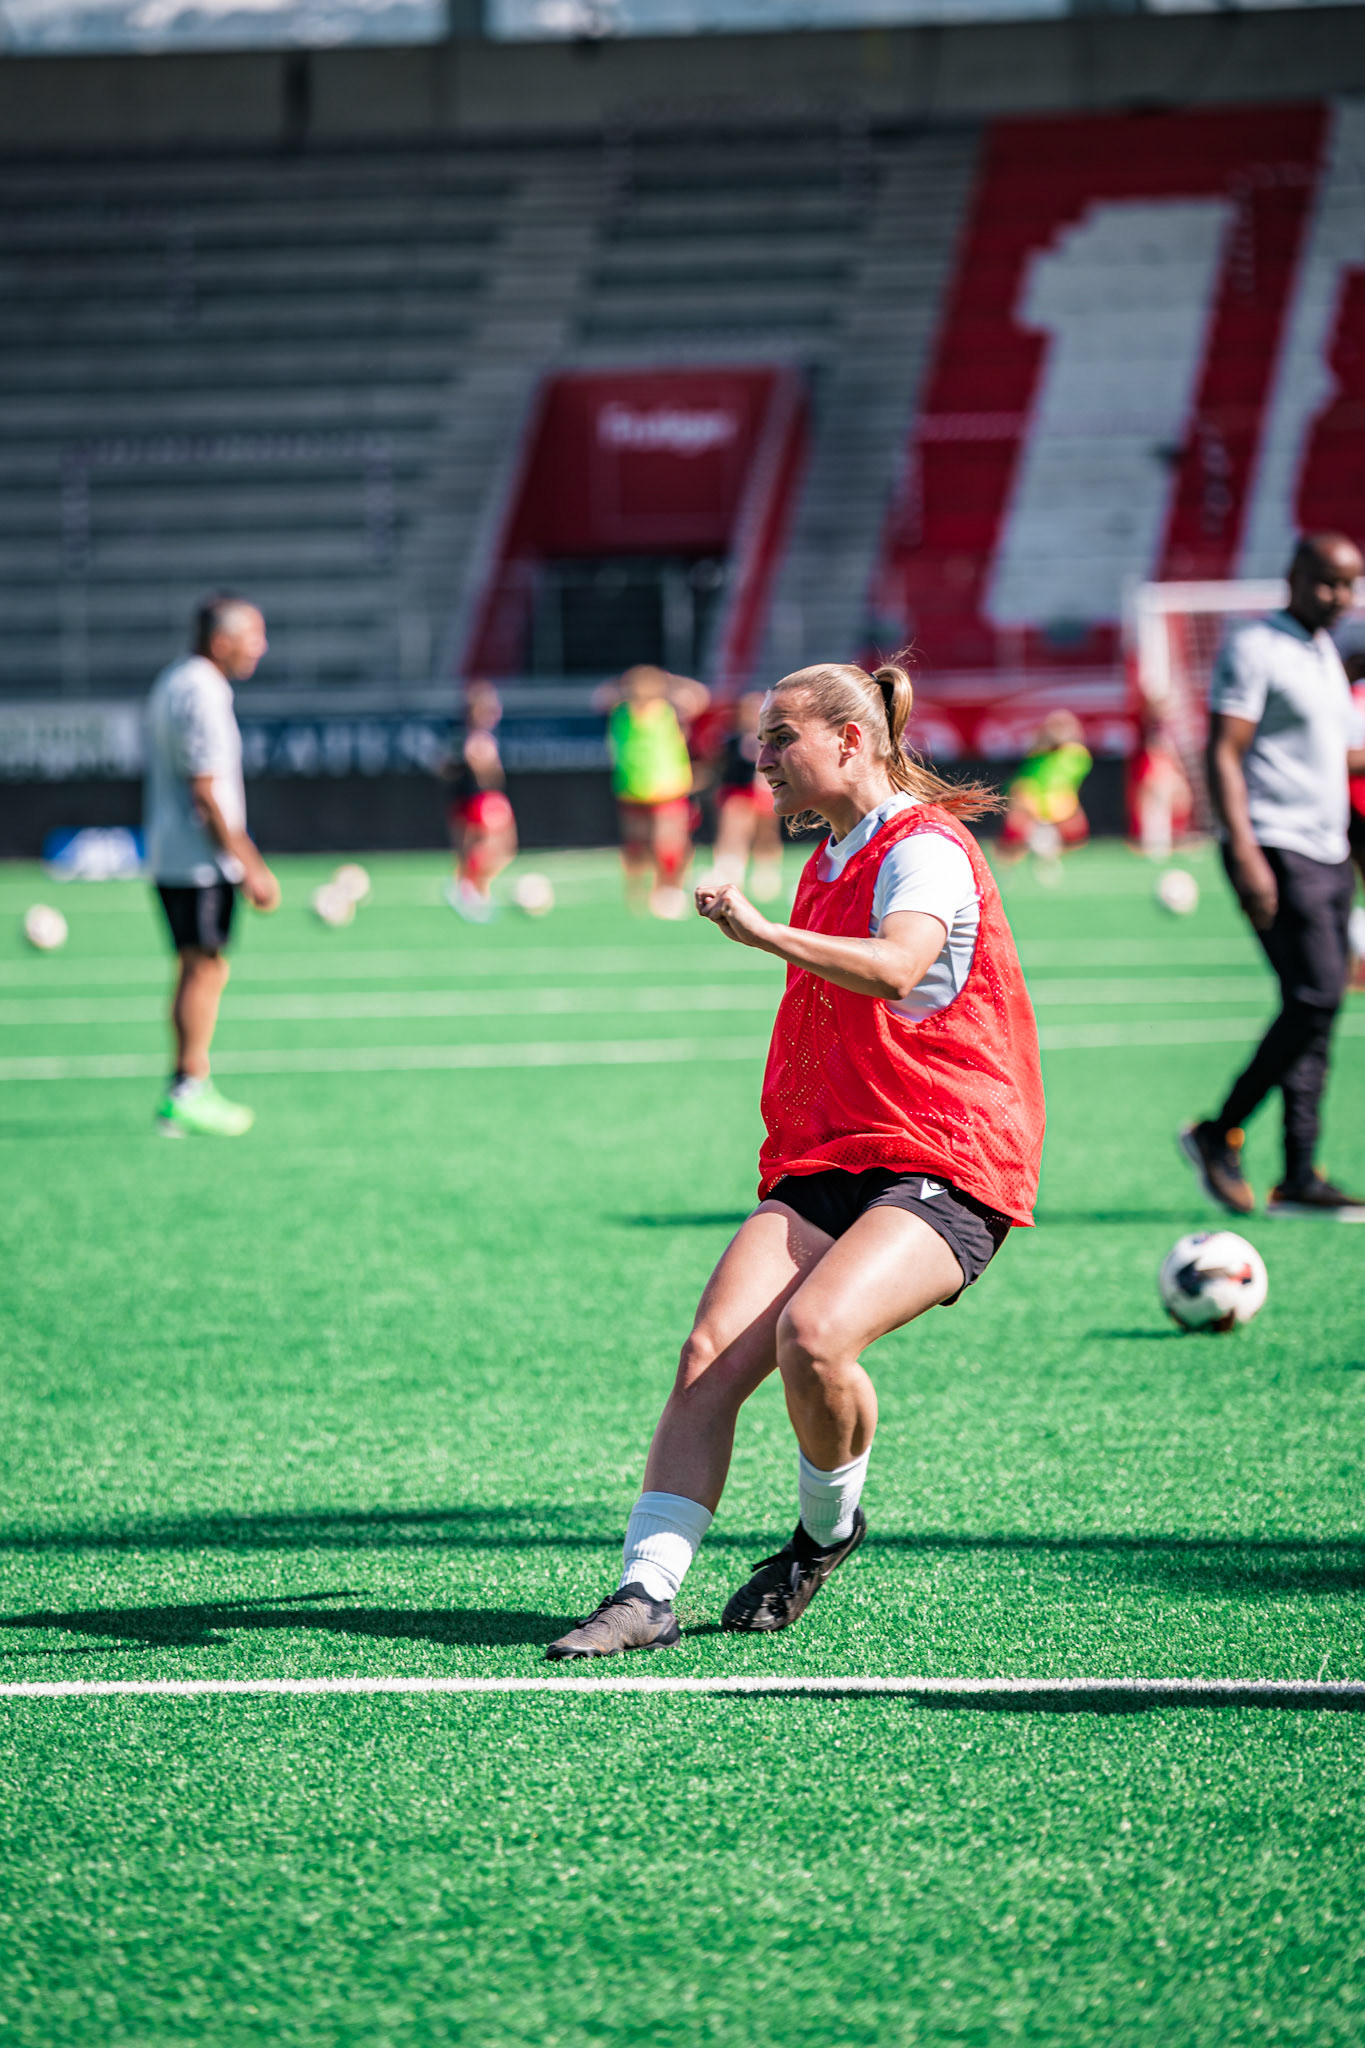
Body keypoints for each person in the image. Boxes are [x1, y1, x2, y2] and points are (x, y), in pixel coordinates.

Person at [546, 657, 1045, 1660]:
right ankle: (646, 1592)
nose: (760, 755)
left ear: (851, 740)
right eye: (761, 738)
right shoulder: (829, 853)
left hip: (947, 1151)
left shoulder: (926, 848)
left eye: (782, 737)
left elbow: (902, 963)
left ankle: (825, 1530)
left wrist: (763, 930)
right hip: (833, 1149)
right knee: (709, 1355)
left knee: (814, 1337)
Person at [1180, 533, 1365, 1219]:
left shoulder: (1321, 655)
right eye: (1325, 582)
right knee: (1316, 995)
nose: (1338, 597)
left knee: (1314, 1006)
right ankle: (1215, 1131)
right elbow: (1223, 751)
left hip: (1328, 849)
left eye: (1347, 586)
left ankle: (1298, 1176)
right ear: (1292, 575)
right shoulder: (1254, 647)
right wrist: (1244, 850)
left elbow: (1339, 758)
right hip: (1276, 846)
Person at [144, 594, 280, 1137]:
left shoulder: (176, 680)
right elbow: (206, 791)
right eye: (253, 636)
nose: (261, 648)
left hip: (174, 853)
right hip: (200, 861)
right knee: (205, 968)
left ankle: (189, 1083)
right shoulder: (201, 691)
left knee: (198, 967)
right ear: (221, 641)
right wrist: (249, 864)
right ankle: (188, 1086)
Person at [602, 665, 709, 919]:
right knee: (636, 847)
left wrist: (671, 680)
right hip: (632, 790)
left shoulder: (668, 712)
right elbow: (599, 695)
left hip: (667, 789)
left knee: (669, 844)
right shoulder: (621, 713)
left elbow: (701, 695)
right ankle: (638, 893)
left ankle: (668, 890)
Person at [443, 682, 517, 923]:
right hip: (482, 799)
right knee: (495, 849)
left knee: (476, 850)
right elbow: (484, 771)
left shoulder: (464, 737)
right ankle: (471, 889)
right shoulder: (475, 739)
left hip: (475, 799)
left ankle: (470, 889)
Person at [705, 689, 785, 903]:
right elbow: (721, 766)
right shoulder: (731, 739)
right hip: (738, 790)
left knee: (765, 833)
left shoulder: (775, 738)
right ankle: (729, 869)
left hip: (764, 790)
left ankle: (766, 873)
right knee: (733, 830)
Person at [998, 710, 1092, 867]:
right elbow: (1023, 784)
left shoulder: (1077, 756)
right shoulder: (1036, 757)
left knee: (1077, 838)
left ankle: (1051, 855)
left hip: (1060, 807)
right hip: (1031, 804)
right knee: (1013, 839)